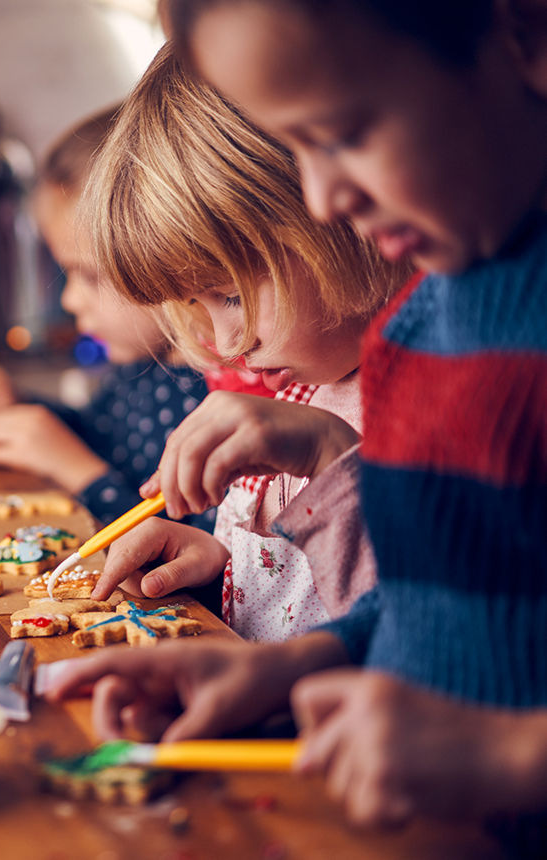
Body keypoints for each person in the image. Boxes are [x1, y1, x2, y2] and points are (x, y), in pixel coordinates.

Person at [46, 0, 547, 839]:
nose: (323, 197)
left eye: (343, 134)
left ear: (525, 35)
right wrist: (290, 670)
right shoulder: (426, 324)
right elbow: (442, 605)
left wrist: (507, 757)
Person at [79, 45, 408, 640]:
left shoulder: (424, 403)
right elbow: (301, 592)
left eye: (230, 295)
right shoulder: (302, 386)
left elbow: (422, 632)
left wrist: (331, 458)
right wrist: (217, 564)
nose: (226, 345)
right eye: (195, 305)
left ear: (336, 217)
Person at [0, 105, 217, 533]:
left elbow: (190, 552)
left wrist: (84, 477)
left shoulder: (216, 402)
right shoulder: (142, 369)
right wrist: (15, 405)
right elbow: (101, 438)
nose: (70, 300)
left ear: (174, 259)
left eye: (89, 275)